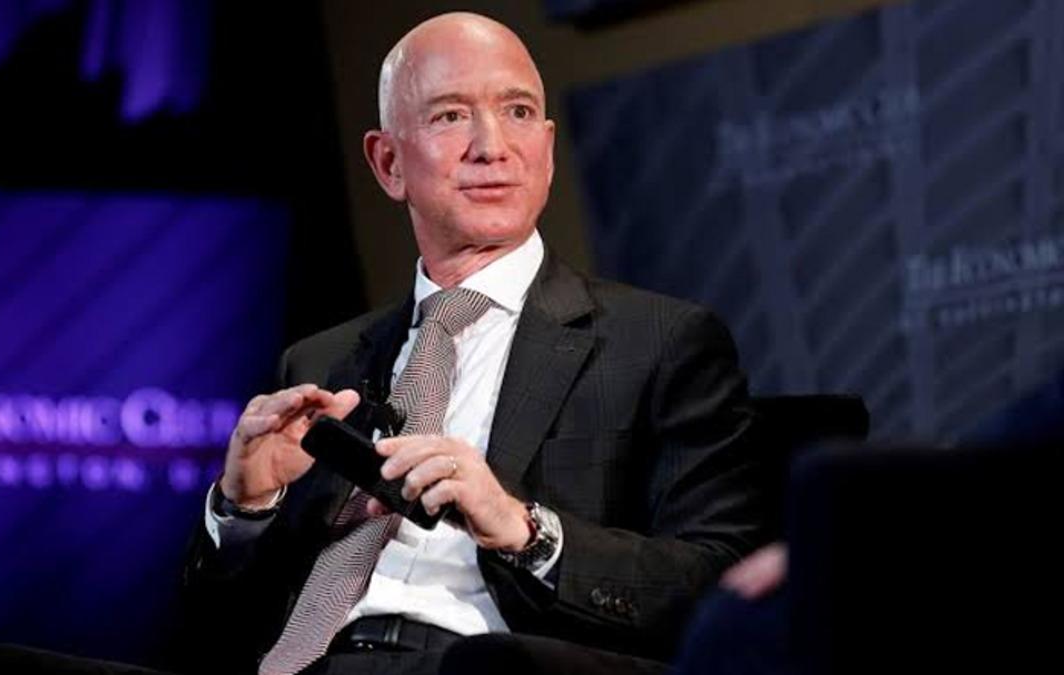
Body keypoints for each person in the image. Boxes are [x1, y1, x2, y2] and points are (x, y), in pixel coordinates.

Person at [181, 12, 766, 675]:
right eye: (451, 116)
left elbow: (720, 584)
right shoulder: (319, 363)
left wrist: (524, 529)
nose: (492, 146)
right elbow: (213, 632)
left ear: (547, 147)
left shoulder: (659, 342)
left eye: (518, 112)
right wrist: (244, 509)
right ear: (389, 163)